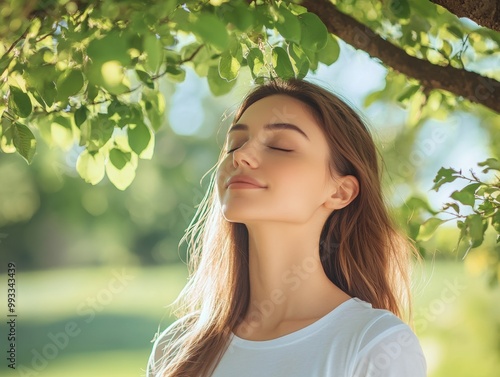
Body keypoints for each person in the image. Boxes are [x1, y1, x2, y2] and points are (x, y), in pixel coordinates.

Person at [147, 78, 427, 377]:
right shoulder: (177, 347)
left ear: (339, 192)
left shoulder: (373, 344)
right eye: (235, 144)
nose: (241, 156)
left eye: (280, 146)